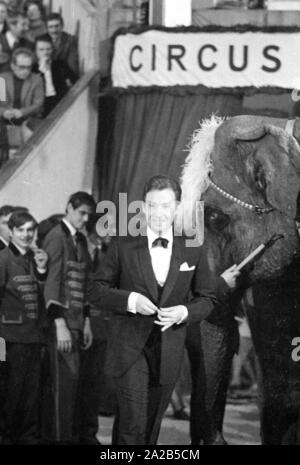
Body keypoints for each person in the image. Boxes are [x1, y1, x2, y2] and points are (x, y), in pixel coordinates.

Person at [87, 175, 240, 445]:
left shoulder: (192, 247)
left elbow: (206, 298)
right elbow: (95, 290)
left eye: (166, 206)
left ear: (177, 207)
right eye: (153, 206)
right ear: (144, 208)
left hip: (169, 348)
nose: (159, 213)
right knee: (133, 423)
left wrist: (184, 312)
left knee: (150, 426)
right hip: (130, 347)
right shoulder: (124, 244)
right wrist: (130, 299)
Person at [41, 191, 96, 444]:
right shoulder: (56, 237)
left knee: (74, 388)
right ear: (69, 208)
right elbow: (51, 284)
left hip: (77, 324)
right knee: (63, 389)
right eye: (81, 212)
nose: (84, 219)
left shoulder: (81, 242)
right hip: (61, 326)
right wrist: (60, 324)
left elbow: (83, 285)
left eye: (88, 214)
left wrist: (86, 322)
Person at [0, 210, 48, 444]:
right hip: (11, 338)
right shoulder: (3, 259)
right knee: (12, 393)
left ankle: (27, 438)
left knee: (31, 393)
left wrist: (41, 271)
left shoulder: (35, 258)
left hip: (34, 336)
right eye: (21, 230)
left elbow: (42, 298)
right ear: (11, 231)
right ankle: (8, 437)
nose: (26, 235)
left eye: (30, 230)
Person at [0, 47, 44, 147]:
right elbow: (1, 104)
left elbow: (38, 104)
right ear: (13, 66)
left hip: (28, 121)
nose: (25, 71)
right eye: (22, 67)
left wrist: (22, 112)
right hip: (4, 122)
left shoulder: (36, 79)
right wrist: (4, 112)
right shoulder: (2, 80)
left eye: (28, 67)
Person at [33, 33, 77, 117]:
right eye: (41, 50)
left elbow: (76, 80)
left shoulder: (60, 65)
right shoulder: (33, 69)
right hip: (42, 107)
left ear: (52, 49)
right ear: (36, 51)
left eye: (48, 49)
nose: (45, 52)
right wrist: (41, 71)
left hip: (61, 104)